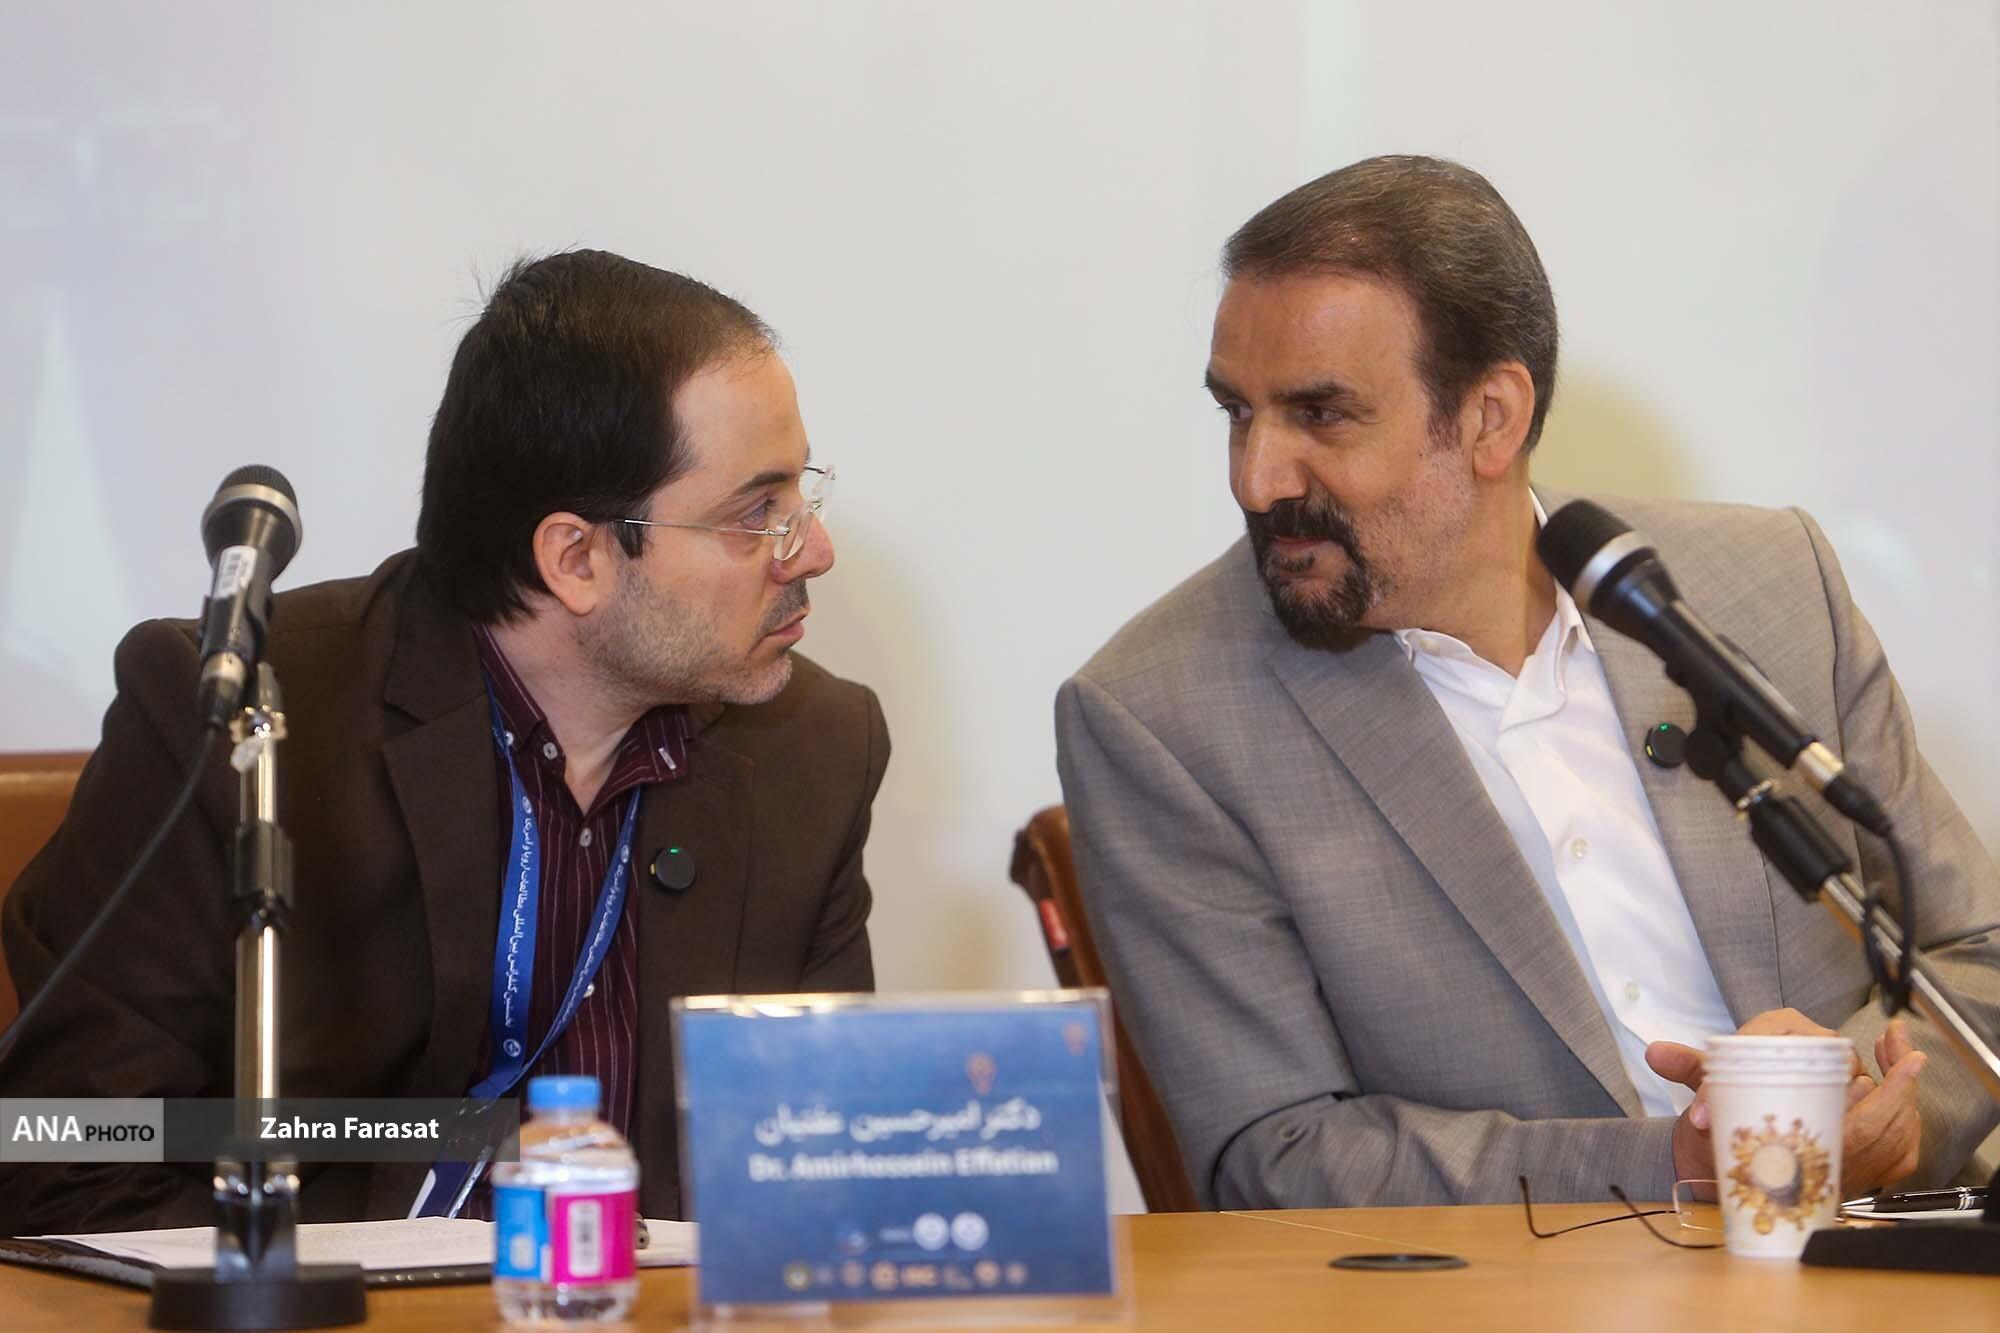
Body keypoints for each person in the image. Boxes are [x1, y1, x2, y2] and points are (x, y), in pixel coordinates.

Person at [1056, 156, 2000, 1209]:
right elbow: (1274, 1153)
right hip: (1529, 1278)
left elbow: (1977, 953)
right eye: (1237, 412)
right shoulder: (1160, 715)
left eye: (1319, 415)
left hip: (1894, 1252)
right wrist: (1691, 1162)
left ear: (1491, 418)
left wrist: (1873, 1109)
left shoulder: (1766, 584)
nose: (1255, 476)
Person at [0, 250, 889, 1232]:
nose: (812, 549)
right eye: (756, 513)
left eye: (801, 494)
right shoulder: (239, 724)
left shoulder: (815, 750)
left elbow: (823, 1170)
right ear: (577, 557)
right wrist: (433, 1169)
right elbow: (61, 1147)